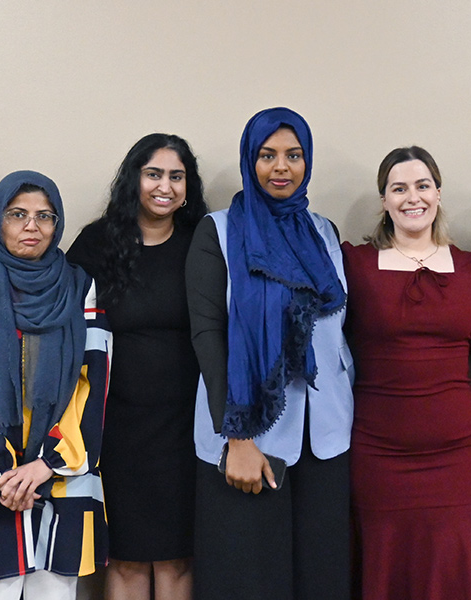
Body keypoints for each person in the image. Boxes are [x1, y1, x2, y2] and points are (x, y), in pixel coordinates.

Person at [185, 107, 352, 600]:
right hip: (249, 433)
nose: (282, 167)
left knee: (320, 576)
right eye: (267, 155)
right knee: (249, 579)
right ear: (249, 161)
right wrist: (235, 437)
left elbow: (339, 328)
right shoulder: (217, 231)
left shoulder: (322, 231)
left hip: (325, 434)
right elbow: (208, 335)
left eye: (294, 155)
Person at [0, 171, 111, 599]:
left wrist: (47, 463)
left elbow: (93, 384)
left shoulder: (81, 287)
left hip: (61, 474)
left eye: (44, 216)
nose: (32, 226)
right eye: (18, 214)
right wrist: (4, 473)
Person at [342, 146, 471, 600]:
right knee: (387, 568)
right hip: (378, 455)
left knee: (458, 568)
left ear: (437, 192)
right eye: (399, 188)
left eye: (422, 185)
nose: (412, 197)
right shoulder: (355, 264)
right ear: (384, 200)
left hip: (460, 455)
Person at [67, 133, 209, 600]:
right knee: (125, 559)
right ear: (134, 179)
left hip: (186, 428)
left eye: (176, 176)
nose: (164, 186)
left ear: (188, 186)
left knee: (177, 559)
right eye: (153, 174)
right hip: (117, 428)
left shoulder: (203, 244)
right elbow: (64, 325)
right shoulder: (97, 242)